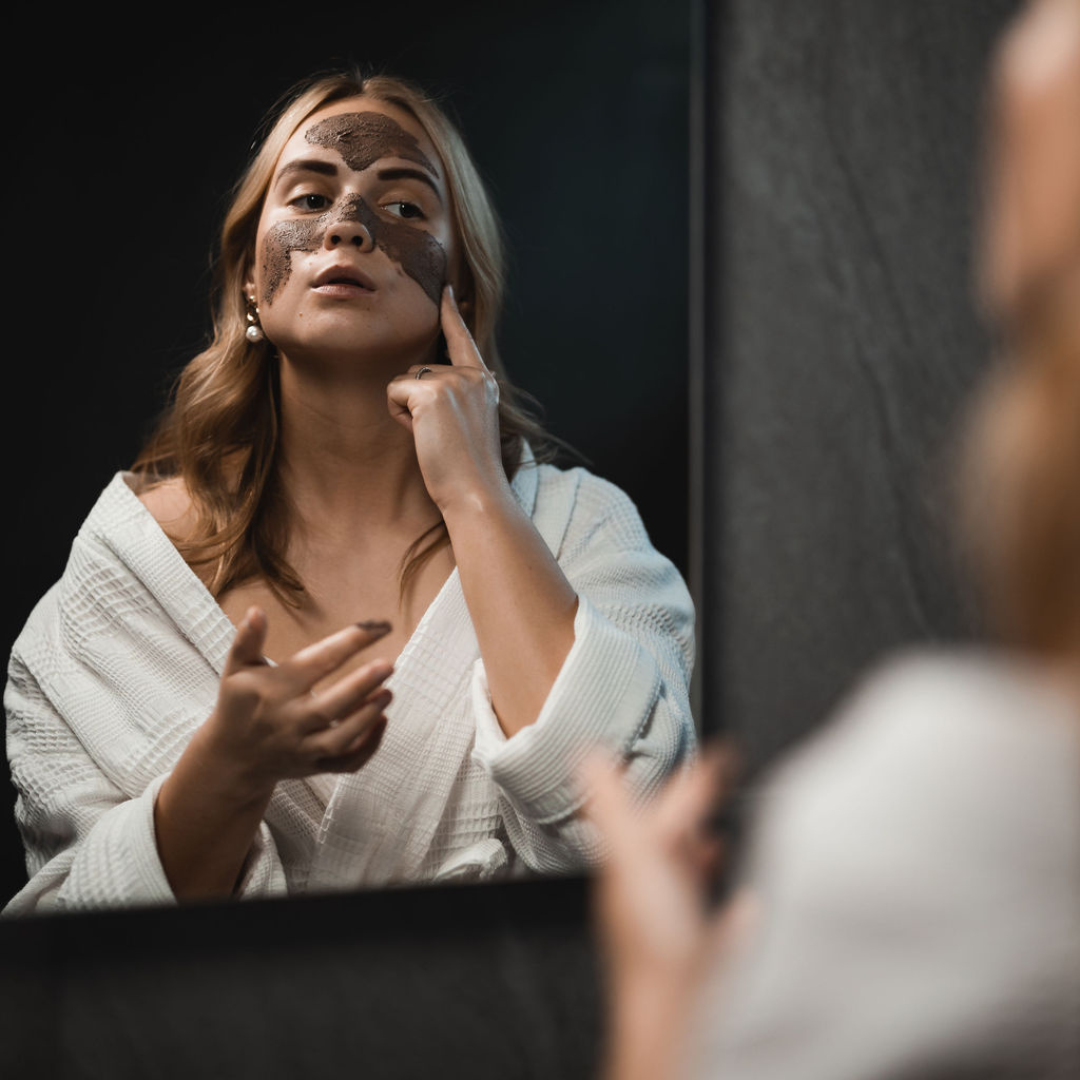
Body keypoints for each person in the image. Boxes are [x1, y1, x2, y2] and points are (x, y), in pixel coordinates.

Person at [3, 72, 695, 913]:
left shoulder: (581, 533)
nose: (348, 225)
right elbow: (62, 945)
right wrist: (226, 772)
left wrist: (478, 497)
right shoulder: (125, 574)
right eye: (309, 197)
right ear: (249, 278)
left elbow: (638, 828)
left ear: (461, 290)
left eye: (403, 206)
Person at [584, 0, 1080, 1076]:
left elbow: (616, 759)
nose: (347, 226)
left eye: (1037, 330)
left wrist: (660, 1012)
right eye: (310, 194)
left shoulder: (949, 824)